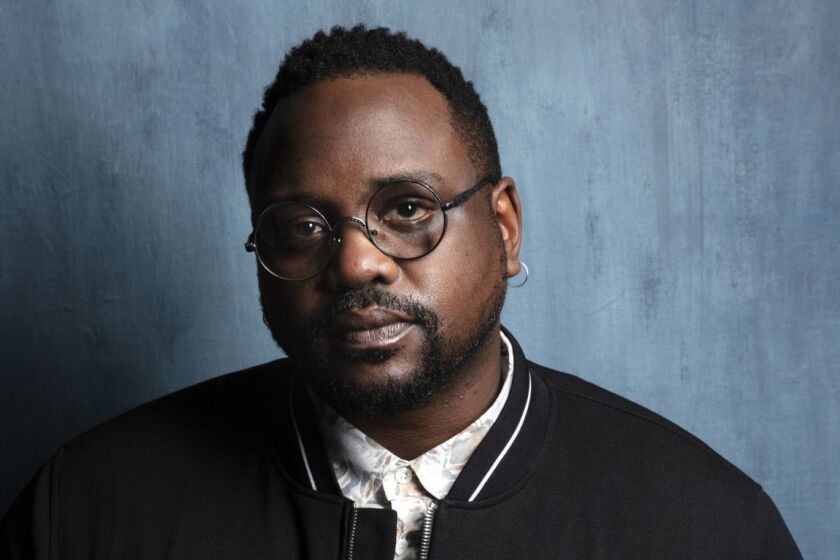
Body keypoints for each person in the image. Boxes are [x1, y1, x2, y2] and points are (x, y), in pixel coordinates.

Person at [1, 25, 802, 559]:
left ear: (506, 226)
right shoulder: (89, 511)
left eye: (408, 210)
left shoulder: (705, 526)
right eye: (303, 226)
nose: (357, 265)